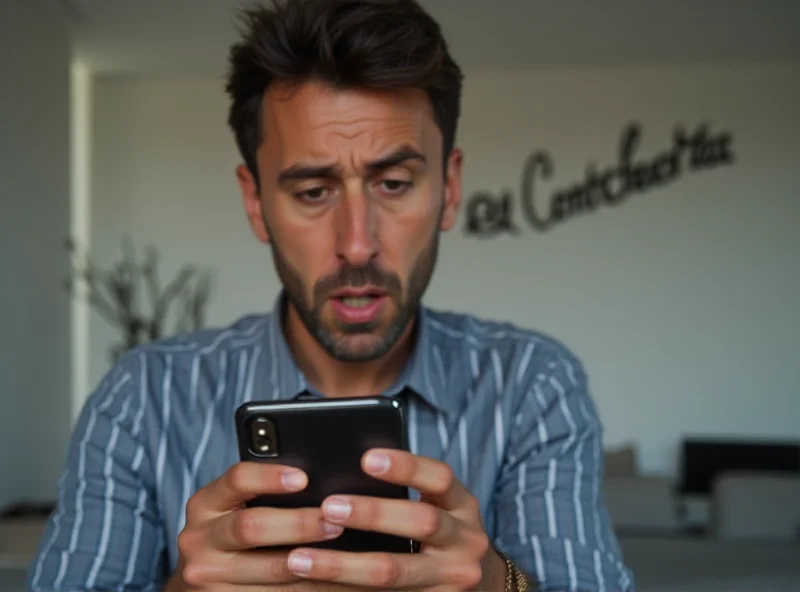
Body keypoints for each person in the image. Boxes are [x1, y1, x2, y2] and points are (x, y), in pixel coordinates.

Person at [28, 0, 634, 590]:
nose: (357, 244)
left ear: (449, 189)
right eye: (313, 191)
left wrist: (496, 586)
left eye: (394, 183)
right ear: (255, 202)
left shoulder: (532, 382)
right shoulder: (143, 399)